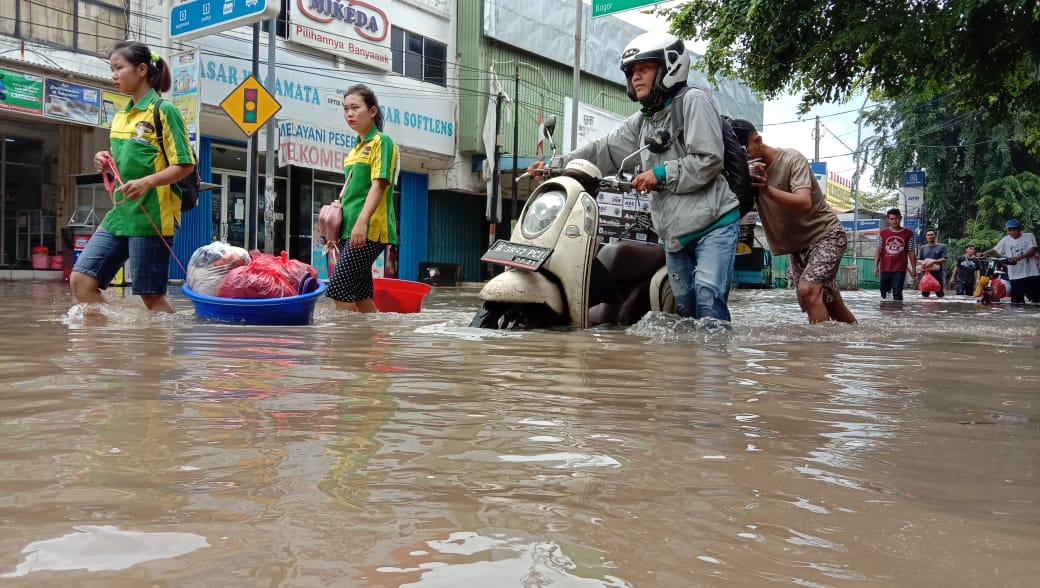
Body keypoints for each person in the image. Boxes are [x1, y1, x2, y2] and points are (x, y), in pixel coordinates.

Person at [528, 32, 739, 321]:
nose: (635, 77)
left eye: (644, 69)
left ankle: (715, 363)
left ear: (669, 67)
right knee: (687, 312)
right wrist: (556, 165)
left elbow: (709, 159)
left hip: (714, 225)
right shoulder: (643, 122)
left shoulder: (693, 102)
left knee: (707, 299)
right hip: (675, 235)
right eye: (631, 72)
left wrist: (661, 173)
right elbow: (604, 151)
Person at [69, 41, 195, 312]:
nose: (113, 75)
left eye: (119, 68)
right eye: (111, 69)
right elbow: (128, 161)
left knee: (151, 296)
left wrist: (147, 182)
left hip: (153, 215)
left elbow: (185, 165)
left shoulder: (164, 111)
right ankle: (108, 344)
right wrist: (105, 160)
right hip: (120, 214)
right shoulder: (121, 116)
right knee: (81, 281)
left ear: (140, 69)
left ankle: (164, 347)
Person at [729, 119, 856, 323]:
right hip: (797, 248)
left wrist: (766, 189)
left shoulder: (791, 159)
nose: (744, 159)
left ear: (758, 140)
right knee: (828, 302)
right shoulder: (742, 173)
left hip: (826, 235)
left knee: (808, 291)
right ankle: (856, 343)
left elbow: (804, 201)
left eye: (745, 152)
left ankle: (817, 352)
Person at [327, 84, 399, 313]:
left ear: (372, 111)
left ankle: (346, 348)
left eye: (355, 108)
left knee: (338, 288)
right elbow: (354, 191)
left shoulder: (382, 142)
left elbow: (380, 183)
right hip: (351, 229)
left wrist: (362, 221)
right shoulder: (355, 149)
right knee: (360, 296)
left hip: (368, 228)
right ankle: (374, 343)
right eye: (346, 108)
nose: (349, 113)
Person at [979, 219, 1040, 303]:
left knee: (1036, 300)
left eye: (1014, 229)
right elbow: (996, 250)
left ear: (1019, 229)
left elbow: (1032, 250)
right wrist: (983, 253)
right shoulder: (1006, 239)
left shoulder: (1029, 236)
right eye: (1009, 230)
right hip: (1015, 276)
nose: (1012, 232)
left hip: (1031, 274)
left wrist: (1018, 257)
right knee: (1016, 303)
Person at [873, 208, 917, 300]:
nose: (894, 221)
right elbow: (878, 250)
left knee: (897, 292)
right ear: (888, 220)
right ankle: (886, 313)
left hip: (900, 268)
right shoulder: (882, 233)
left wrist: (914, 268)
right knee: (884, 294)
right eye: (892, 219)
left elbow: (911, 251)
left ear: (900, 218)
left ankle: (898, 312)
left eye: (896, 218)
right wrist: (875, 266)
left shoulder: (908, 233)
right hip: (885, 268)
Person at [916, 229, 948, 298]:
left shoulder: (942, 247)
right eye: (928, 235)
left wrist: (933, 261)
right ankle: (925, 308)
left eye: (931, 235)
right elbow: (918, 260)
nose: (930, 236)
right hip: (925, 274)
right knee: (925, 295)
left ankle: (939, 308)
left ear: (935, 236)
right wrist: (922, 262)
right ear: (926, 236)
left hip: (938, 274)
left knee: (940, 294)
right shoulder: (922, 248)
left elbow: (945, 259)